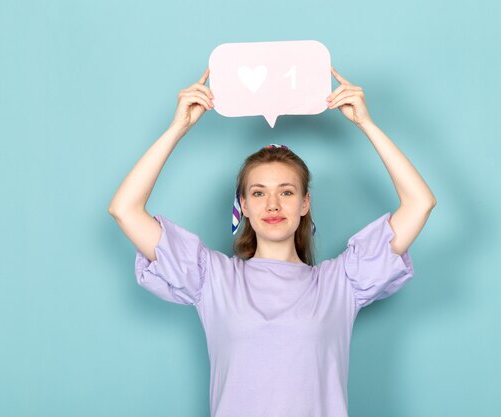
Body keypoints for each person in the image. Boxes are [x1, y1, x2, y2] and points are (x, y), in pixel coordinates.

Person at [108, 66, 436, 417]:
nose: (273, 204)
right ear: (244, 206)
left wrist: (366, 124)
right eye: (259, 193)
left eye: (287, 191)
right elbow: (125, 209)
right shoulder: (212, 279)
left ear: (305, 203)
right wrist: (178, 128)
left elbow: (420, 202)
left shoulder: (342, 282)